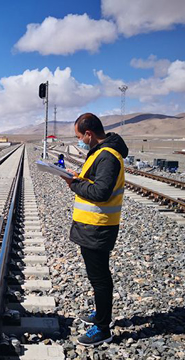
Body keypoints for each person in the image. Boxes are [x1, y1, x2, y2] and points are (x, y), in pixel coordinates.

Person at [61, 113, 128, 346]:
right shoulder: (100, 152)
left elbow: (101, 193)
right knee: (96, 276)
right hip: (91, 225)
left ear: (89, 134)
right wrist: (78, 178)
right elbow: (95, 182)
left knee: (100, 278)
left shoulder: (107, 156)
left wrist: (74, 184)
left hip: (98, 226)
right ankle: (100, 314)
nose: (79, 140)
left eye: (79, 136)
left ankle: (102, 328)